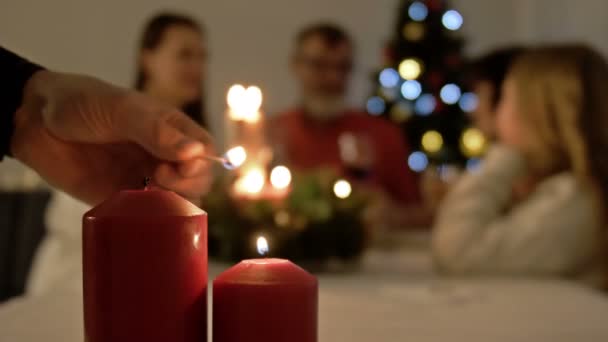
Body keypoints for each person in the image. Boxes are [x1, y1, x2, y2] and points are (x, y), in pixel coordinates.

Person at [432, 45, 608, 288]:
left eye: (505, 98)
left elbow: (458, 251)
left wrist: (504, 157)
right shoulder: (563, 190)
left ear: (536, 112)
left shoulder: (574, 197)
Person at [269, 23, 422, 229]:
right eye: (319, 66)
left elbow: (418, 212)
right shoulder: (271, 133)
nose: (333, 78)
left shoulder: (383, 134)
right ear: (295, 65)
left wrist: (390, 213)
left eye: (343, 67)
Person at [135, 12, 208, 128]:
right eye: (185, 55)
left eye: (202, 57)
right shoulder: (120, 129)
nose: (197, 67)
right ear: (147, 60)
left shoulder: (195, 131)